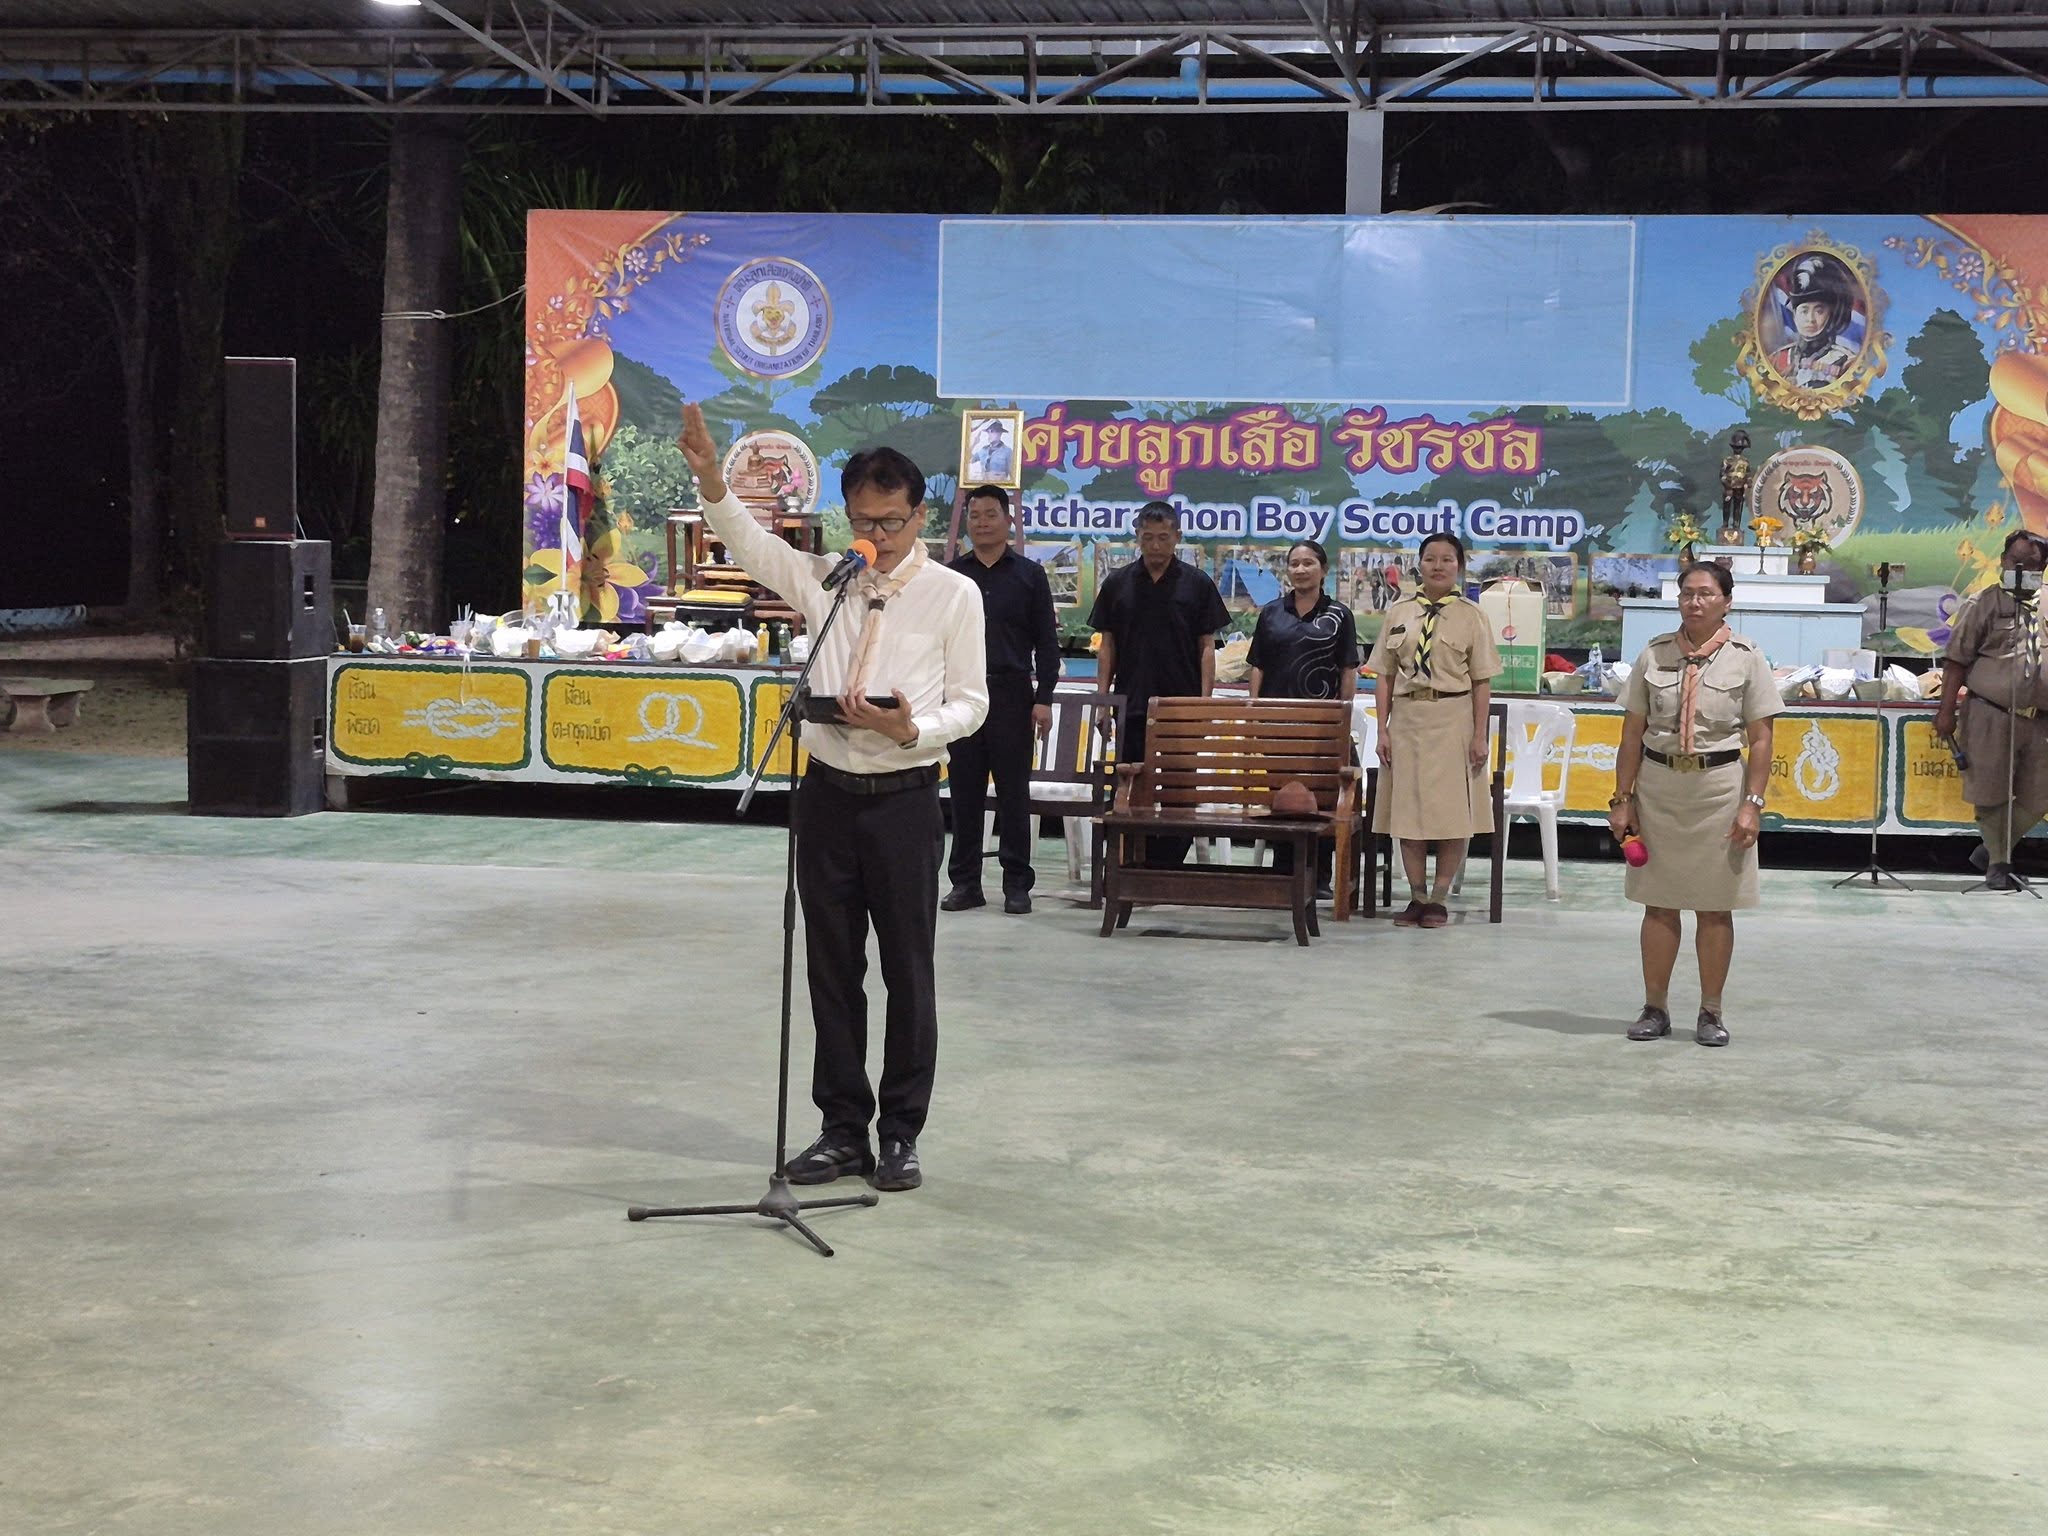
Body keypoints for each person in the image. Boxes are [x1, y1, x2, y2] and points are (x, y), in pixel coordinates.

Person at [677, 403, 988, 1193]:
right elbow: (751, 544)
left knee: (907, 972)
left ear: (920, 516)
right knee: (831, 969)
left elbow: (973, 703)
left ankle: (901, 1133)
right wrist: (712, 478)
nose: (875, 537)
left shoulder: (954, 594)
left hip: (906, 801)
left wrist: (912, 728)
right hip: (826, 799)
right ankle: (842, 1129)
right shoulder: (827, 579)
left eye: (889, 522)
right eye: (862, 521)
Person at [1607, 561, 1782, 1047]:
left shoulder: (1747, 658)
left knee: (1715, 907)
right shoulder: (1654, 654)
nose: (1694, 602)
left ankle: (1711, 1012)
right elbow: (1631, 735)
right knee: (1658, 904)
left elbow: (1762, 740)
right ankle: (1654, 1007)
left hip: (1719, 792)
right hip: (1659, 789)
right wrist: (1623, 799)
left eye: (1705, 593)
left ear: (1727, 601)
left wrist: (1752, 804)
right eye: (1687, 593)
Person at [1368, 532, 1500, 929]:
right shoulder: (1399, 612)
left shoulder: (1472, 616)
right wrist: (1383, 730)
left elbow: (1481, 681)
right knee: (1407, 813)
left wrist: (1479, 735)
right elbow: (1384, 675)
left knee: (1451, 815)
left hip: (1453, 717)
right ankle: (1417, 897)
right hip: (1408, 719)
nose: (1438, 566)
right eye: (1430, 558)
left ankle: (1439, 899)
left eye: (1447, 559)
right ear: (1419, 565)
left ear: (1459, 566)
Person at [1089, 501, 1230, 866]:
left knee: (1179, 790)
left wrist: (1204, 704)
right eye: (1147, 537)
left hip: (1181, 708)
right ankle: (1128, 866)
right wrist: (1103, 701)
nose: (1155, 545)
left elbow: (1206, 647)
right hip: (1131, 704)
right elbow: (1107, 646)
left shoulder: (1197, 584)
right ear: (1137, 536)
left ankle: (1167, 868)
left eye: (1163, 537)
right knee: (1130, 787)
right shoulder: (1118, 583)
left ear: (1177, 537)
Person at [943, 484, 1062, 915]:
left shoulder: (1030, 576)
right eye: (974, 516)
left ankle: (1016, 884)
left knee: (1014, 794)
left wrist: (1043, 697)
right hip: (962, 695)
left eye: (990, 514)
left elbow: (1046, 643)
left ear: (1008, 521)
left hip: (1013, 696)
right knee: (964, 793)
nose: (982, 523)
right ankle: (965, 883)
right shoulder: (952, 577)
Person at [1934, 529, 2048, 892]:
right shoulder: (1983, 603)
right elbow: (1956, 661)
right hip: (1990, 712)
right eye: (2015, 561)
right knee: (1990, 793)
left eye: (2031, 564)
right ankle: (2000, 864)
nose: (2021, 569)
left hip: (2040, 719)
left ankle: (1994, 846)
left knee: (2039, 797)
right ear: (2002, 561)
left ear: (2044, 567)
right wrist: (1946, 712)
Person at [1247, 539, 1361, 899]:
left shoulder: (1339, 615)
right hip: (1277, 726)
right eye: (1294, 563)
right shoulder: (1271, 613)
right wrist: (1255, 712)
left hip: (1322, 726)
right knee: (1283, 798)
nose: (1300, 569)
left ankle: (1318, 877)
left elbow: (1347, 669)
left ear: (1323, 570)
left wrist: (1342, 715)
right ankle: (1283, 873)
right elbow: (1258, 665)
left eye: (1308, 563)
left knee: (1320, 801)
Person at [1768, 254, 1859, 390]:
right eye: (1804, 310)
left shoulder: (1847, 363)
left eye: (1819, 311)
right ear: (1795, 313)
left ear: (1831, 314)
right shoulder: (1775, 360)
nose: (1810, 319)